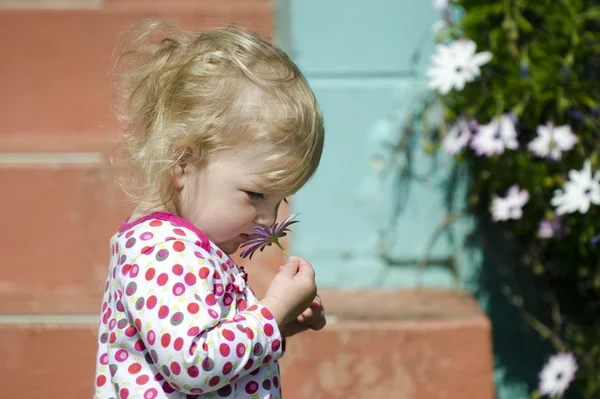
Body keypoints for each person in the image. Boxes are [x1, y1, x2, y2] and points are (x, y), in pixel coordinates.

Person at [94, 20, 326, 399]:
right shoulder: (161, 251)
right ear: (183, 161)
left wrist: (278, 324)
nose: (269, 220)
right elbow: (192, 364)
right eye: (255, 194)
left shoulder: (186, 245)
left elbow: (212, 351)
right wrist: (273, 309)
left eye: (279, 200)